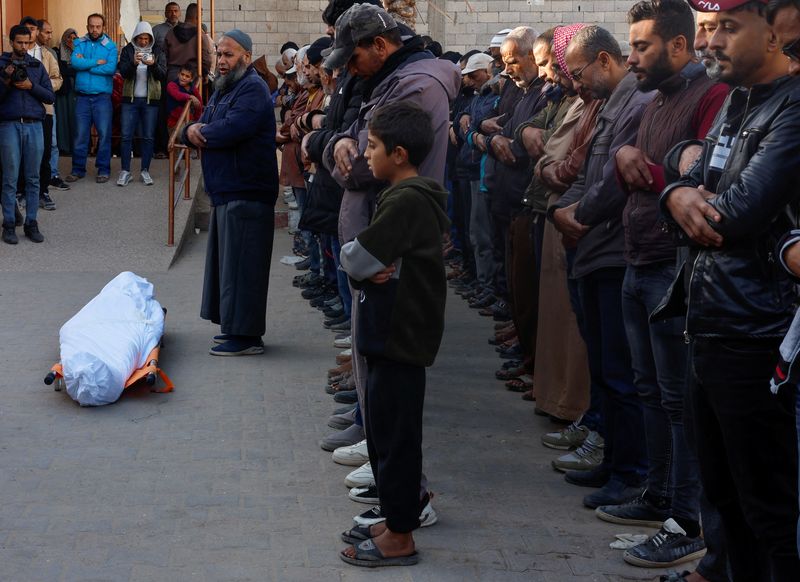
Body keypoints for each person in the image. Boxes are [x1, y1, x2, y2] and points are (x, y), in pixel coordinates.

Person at [579, 0, 727, 570]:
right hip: (638, 260)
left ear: (679, 46)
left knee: (679, 400)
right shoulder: (655, 100)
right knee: (650, 391)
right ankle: (658, 494)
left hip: (672, 267)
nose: (632, 55)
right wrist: (622, 153)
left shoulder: (708, 97)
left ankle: (686, 519)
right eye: (632, 45)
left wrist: (650, 169)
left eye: (642, 46)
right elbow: (634, 165)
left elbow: (706, 176)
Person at [657, 0, 800, 578]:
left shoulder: (791, 108)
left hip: (756, 333)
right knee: (725, 495)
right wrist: (673, 194)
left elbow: (732, 213)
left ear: (773, 35)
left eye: (726, 29)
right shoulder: (739, 102)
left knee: (767, 509)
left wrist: (686, 197)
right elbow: (692, 184)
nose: (710, 42)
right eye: (707, 30)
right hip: (711, 322)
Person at [338, 100, 449, 569]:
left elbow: (357, 258)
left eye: (374, 145)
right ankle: (392, 517)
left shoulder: (406, 200)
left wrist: (359, 263)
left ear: (399, 154)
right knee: (383, 435)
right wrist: (366, 266)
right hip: (391, 334)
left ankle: (401, 535)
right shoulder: (401, 196)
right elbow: (369, 262)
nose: (366, 153)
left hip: (399, 336)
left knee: (398, 439)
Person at [550, 25, 654, 509]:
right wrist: (562, 210)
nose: (575, 80)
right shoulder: (608, 104)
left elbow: (614, 181)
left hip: (611, 250)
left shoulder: (634, 104)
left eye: (580, 69)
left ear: (603, 61)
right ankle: (615, 462)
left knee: (620, 371)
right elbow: (589, 168)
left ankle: (631, 473)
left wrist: (579, 215)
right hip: (594, 250)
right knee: (606, 366)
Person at [182, 30, 278, 356]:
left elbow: (231, 129)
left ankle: (247, 337)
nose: (221, 62)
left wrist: (199, 131)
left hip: (247, 192)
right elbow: (201, 123)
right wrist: (190, 129)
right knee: (230, 267)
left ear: (246, 57)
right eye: (218, 55)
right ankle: (236, 330)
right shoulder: (225, 88)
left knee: (243, 267)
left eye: (229, 55)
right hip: (228, 192)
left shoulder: (252, 88)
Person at [0, 24, 55, 244]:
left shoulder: (36, 65)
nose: (23, 47)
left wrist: (31, 86)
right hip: (9, 125)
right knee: (10, 178)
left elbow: (50, 97)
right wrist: (6, 79)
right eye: (19, 42)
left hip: (34, 125)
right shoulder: (2, 65)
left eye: (27, 43)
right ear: (11, 42)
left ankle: (32, 223)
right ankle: (9, 224)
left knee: (33, 178)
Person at [66, 13, 117, 184]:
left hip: (102, 97)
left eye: (98, 26)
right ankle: (77, 169)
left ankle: (103, 169)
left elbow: (110, 69)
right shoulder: (79, 43)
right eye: (91, 26)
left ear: (103, 27)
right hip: (82, 97)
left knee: (104, 134)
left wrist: (86, 65)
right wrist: (97, 62)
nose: (94, 29)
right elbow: (75, 63)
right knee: (80, 135)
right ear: (87, 26)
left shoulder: (111, 46)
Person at [117, 21, 166, 187]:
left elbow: (162, 75)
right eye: (140, 38)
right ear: (135, 37)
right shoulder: (128, 50)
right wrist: (133, 63)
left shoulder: (158, 51)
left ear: (150, 38)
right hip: (129, 101)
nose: (143, 41)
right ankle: (125, 171)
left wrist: (153, 65)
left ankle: (145, 170)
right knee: (126, 136)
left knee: (148, 136)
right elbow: (122, 72)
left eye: (146, 38)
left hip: (150, 101)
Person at [20, 17, 62, 211]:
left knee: (44, 151)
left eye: (33, 29)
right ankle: (21, 192)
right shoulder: (14, 54)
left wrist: (38, 88)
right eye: (26, 29)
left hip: (44, 109)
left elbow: (57, 79)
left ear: (37, 32)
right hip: (20, 111)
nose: (30, 33)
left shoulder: (46, 55)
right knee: (21, 152)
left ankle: (43, 191)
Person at [153, 2, 181, 159]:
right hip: (162, 77)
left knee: (179, 112)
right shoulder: (157, 30)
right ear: (165, 12)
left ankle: (180, 147)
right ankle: (162, 148)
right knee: (162, 113)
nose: (173, 14)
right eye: (170, 11)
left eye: (175, 11)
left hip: (181, 78)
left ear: (180, 12)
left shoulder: (185, 30)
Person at [164, 3, 213, 83]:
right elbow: (206, 59)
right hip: (191, 76)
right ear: (197, 17)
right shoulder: (200, 34)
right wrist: (204, 74)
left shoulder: (171, 32)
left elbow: (164, 55)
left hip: (173, 75)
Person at [54, 28, 78, 158]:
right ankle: (64, 146)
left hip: (76, 90)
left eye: (74, 39)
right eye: (69, 38)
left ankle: (75, 146)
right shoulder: (57, 52)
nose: (71, 41)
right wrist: (72, 70)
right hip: (63, 90)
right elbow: (60, 70)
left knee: (74, 118)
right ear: (64, 38)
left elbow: (81, 67)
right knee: (62, 118)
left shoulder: (79, 52)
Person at [166, 66, 202, 131]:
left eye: (187, 76)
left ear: (191, 79)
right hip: (174, 123)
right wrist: (190, 97)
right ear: (178, 74)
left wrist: (197, 120)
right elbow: (177, 95)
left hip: (189, 120)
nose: (184, 77)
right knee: (186, 136)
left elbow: (199, 105)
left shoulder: (193, 89)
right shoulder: (171, 85)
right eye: (182, 74)